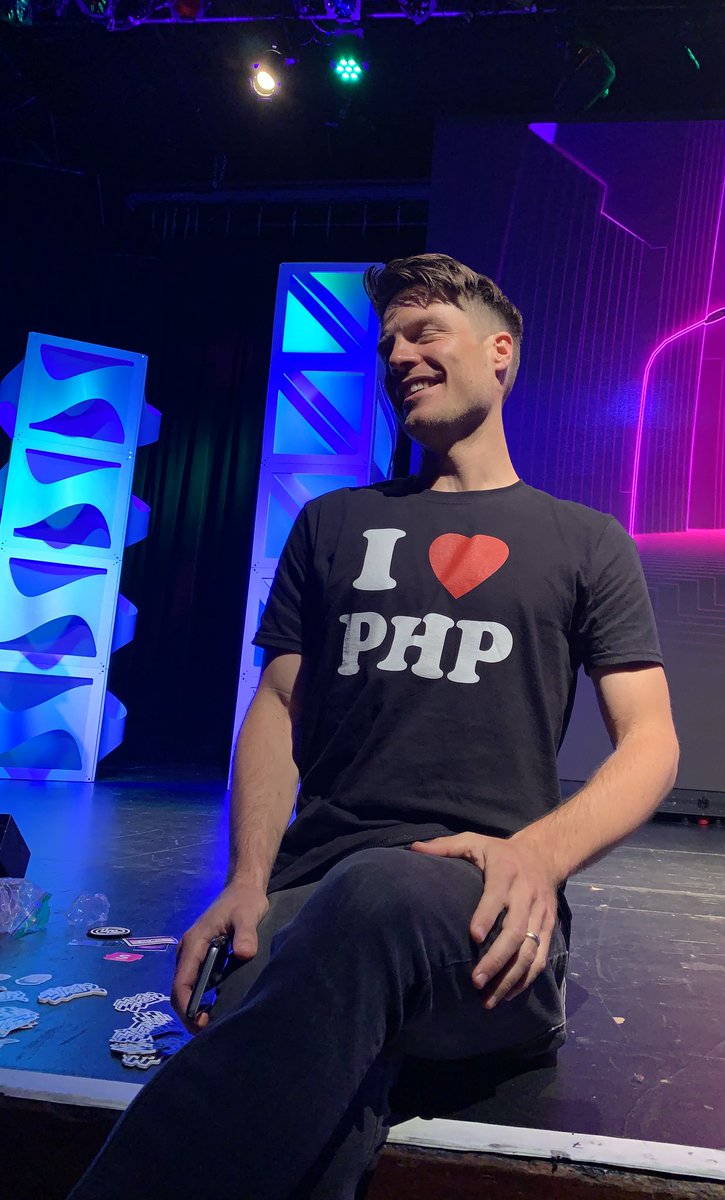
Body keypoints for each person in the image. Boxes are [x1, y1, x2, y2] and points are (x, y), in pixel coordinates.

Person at [69, 253, 679, 1199]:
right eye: (389, 341)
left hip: (484, 910)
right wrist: (248, 880)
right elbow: (278, 705)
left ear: (501, 353)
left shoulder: (585, 542)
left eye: (425, 331)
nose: (398, 356)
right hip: (313, 899)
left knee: (374, 898)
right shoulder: (332, 524)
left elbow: (651, 740)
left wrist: (540, 855)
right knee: (312, 1068)